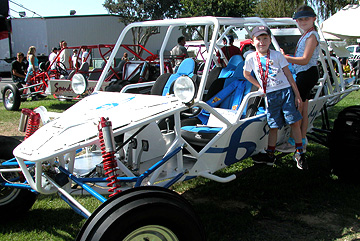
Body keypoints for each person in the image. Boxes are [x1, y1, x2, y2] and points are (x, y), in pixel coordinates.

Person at [243, 26, 307, 170]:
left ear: (270, 40)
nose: (262, 42)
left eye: (265, 38)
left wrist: (297, 95)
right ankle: (270, 154)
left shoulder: (277, 55)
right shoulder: (251, 58)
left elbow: (289, 75)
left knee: (294, 122)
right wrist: (260, 86)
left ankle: (299, 153)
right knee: (273, 125)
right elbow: (246, 74)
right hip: (270, 95)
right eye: (258, 39)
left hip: (285, 92)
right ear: (252, 42)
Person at [279, 5, 320, 152]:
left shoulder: (312, 35)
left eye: (306, 19)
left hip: (307, 73)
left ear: (314, 19)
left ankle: (294, 142)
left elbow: (304, 59)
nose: (303, 22)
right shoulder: (307, 34)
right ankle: (301, 139)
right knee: (303, 108)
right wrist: (288, 57)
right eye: (300, 19)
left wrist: (285, 58)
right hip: (306, 73)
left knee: (297, 108)